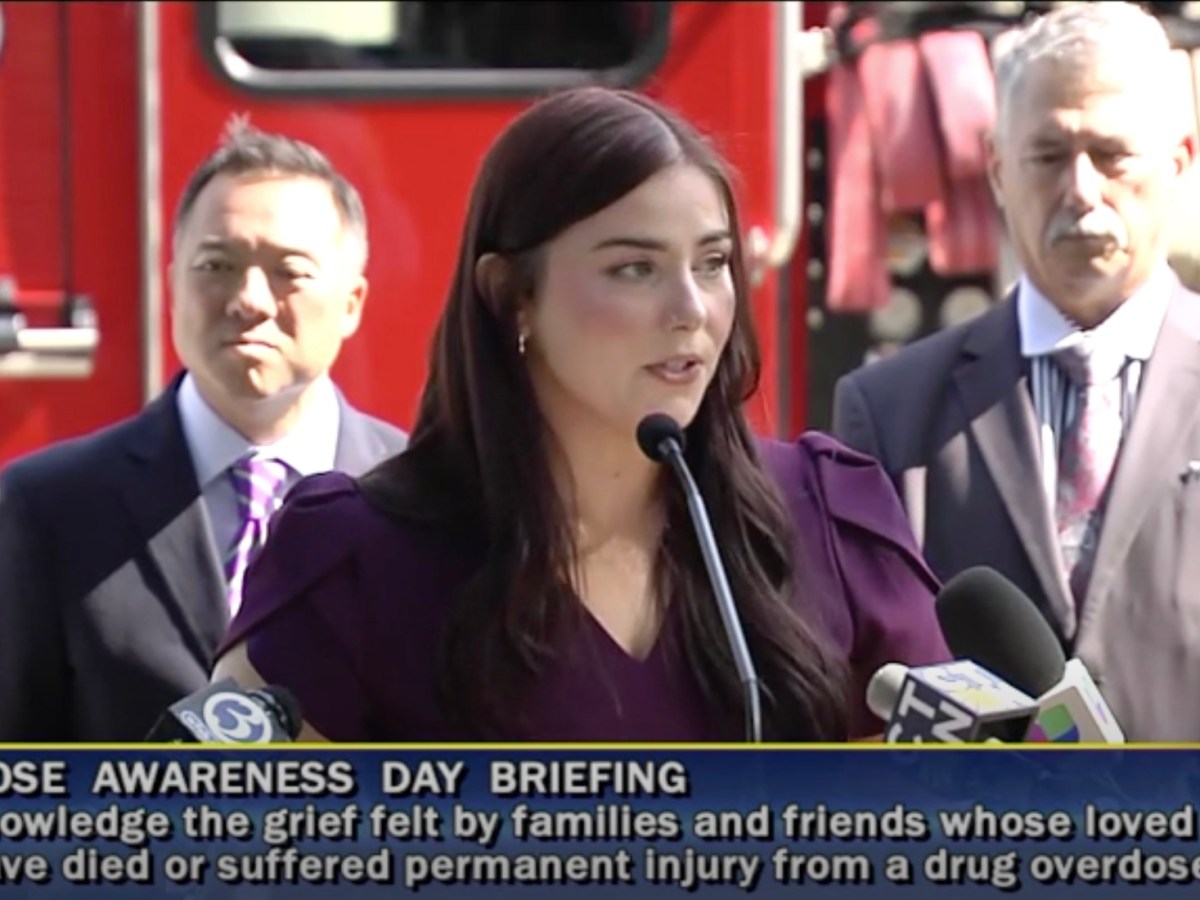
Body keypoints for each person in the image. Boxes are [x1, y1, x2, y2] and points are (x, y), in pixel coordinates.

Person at [213, 86, 949, 743]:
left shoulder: (832, 519)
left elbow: (946, 822)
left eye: (713, 262)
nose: (690, 310)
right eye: (635, 268)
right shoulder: (356, 561)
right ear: (510, 296)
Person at [832, 3, 1200, 740]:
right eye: (1048, 156)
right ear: (998, 170)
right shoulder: (890, 412)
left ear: (1180, 160)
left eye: (1113, 154)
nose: (1082, 191)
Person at [0, 122, 407, 742]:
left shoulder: (427, 497)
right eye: (217, 265)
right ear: (173, 286)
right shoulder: (46, 507)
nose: (248, 299)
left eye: (288, 271)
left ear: (351, 302)